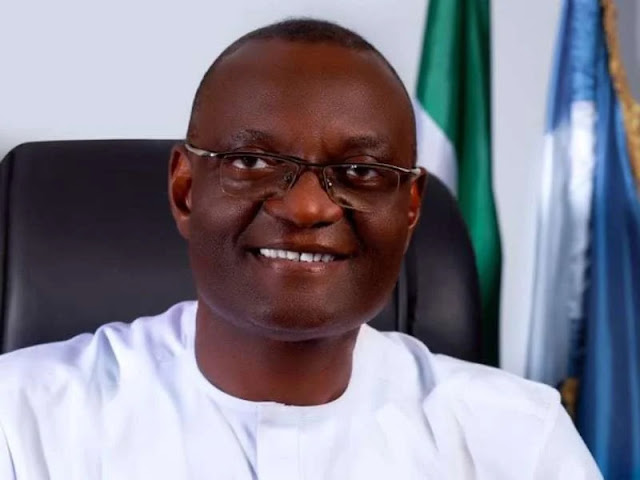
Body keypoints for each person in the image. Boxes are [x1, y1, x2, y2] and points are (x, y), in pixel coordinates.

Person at [0, 19, 601, 479]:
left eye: (360, 171)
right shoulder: (24, 422)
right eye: (253, 161)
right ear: (185, 191)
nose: (309, 207)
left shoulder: (518, 442)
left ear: (410, 208)